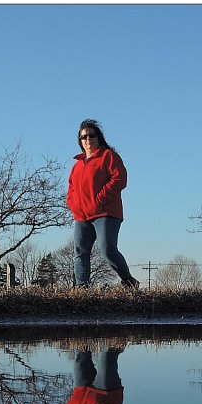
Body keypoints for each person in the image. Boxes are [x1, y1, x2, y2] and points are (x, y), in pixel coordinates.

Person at [66, 119, 141, 288]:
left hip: (105, 213)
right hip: (81, 216)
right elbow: (71, 188)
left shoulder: (109, 156)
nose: (87, 139)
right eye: (83, 137)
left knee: (107, 250)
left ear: (98, 137)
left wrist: (100, 199)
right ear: (80, 141)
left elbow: (119, 179)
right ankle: (81, 288)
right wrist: (72, 203)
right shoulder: (77, 165)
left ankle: (128, 281)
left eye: (91, 135)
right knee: (80, 252)